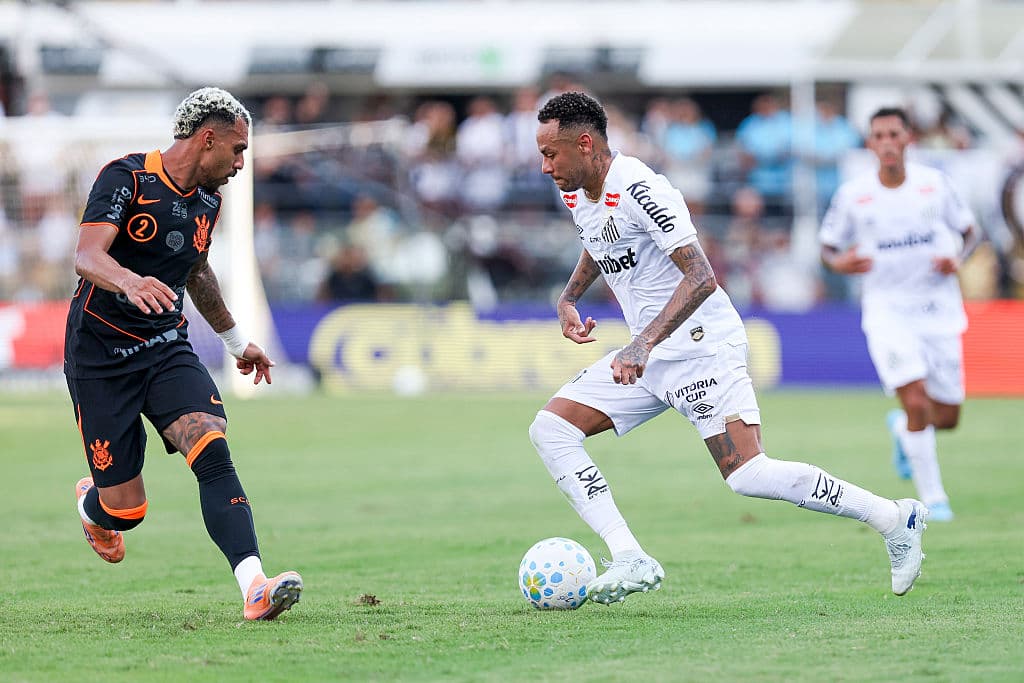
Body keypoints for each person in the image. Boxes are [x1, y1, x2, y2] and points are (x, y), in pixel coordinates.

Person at [530, 91, 928, 605]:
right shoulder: (576, 192)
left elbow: (701, 276)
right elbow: (599, 239)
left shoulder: (641, 188)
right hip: (648, 357)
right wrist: (568, 297)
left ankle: (894, 518)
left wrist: (642, 344)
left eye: (550, 154)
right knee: (551, 430)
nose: (544, 167)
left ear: (584, 144)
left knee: (748, 474)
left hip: (699, 346)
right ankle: (629, 556)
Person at [66, 87, 302, 620]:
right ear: (208, 138)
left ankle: (255, 587)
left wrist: (238, 343)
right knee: (127, 511)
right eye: (238, 151)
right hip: (99, 354)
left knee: (211, 448)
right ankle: (93, 506)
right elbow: (86, 256)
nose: (242, 164)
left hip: (165, 348)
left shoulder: (209, 201)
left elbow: (196, 271)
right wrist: (127, 281)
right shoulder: (126, 177)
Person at [819, 107, 981, 523]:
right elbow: (828, 247)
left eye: (894, 134)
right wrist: (840, 265)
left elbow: (969, 232)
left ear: (908, 138)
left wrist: (957, 259)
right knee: (916, 403)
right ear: (870, 144)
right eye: (879, 136)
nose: (887, 142)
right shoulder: (854, 195)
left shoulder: (935, 185)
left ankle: (900, 431)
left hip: (938, 310)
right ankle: (935, 500)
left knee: (946, 416)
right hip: (887, 312)